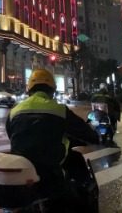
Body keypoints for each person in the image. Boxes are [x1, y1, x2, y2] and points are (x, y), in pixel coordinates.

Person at [6, 68, 99, 210]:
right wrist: (94, 136)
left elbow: (11, 135)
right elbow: (87, 134)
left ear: (29, 90)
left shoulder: (14, 111)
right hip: (50, 170)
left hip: (21, 171)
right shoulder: (60, 110)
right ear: (52, 91)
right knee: (77, 168)